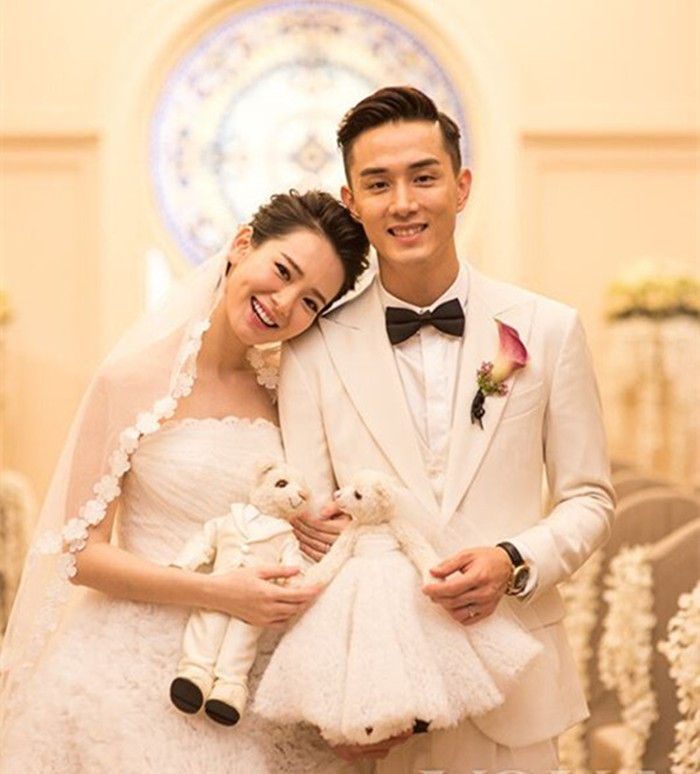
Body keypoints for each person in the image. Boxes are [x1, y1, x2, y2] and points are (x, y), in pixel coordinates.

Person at [279, 87, 616, 772]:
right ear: (352, 201)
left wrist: (514, 560)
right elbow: (308, 532)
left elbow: (589, 498)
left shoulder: (548, 330)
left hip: (515, 693)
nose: (403, 202)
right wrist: (329, 687)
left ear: (461, 187)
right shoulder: (311, 348)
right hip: (372, 696)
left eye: (423, 177)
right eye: (379, 184)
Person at [0, 190, 369, 773]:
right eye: (282, 271)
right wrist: (217, 591)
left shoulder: (290, 394)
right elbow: (79, 553)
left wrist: (321, 530)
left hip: (258, 672)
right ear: (243, 244)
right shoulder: (129, 382)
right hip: (132, 669)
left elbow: (296, 513)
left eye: (310, 302)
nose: (283, 304)